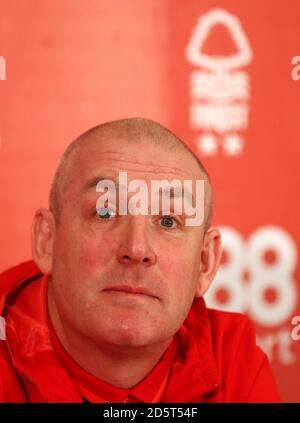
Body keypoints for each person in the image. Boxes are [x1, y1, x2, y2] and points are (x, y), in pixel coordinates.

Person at [0, 118, 281, 403]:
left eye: (169, 221)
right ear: (47, 239)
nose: (136, 249)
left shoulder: (230, 359)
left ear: (205, 262)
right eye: (105, 212)